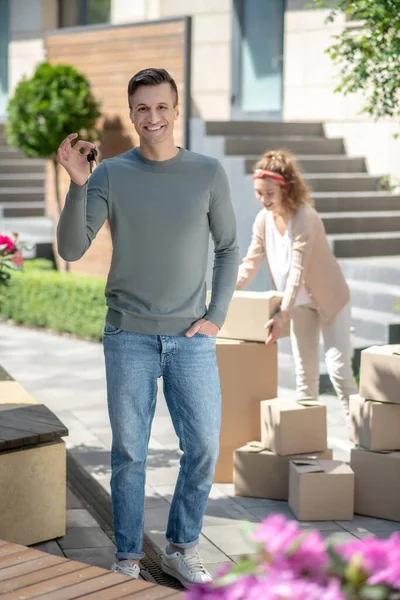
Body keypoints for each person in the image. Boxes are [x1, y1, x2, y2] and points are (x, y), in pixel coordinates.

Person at [56, 68, 239, 587]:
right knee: (129, 454)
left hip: (191, 339)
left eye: (161, 107)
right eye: (142, 108)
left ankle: (182, 547)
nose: (152, 117)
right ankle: (128, 559)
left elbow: (227, 248)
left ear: (176, 111)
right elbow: (71, 248)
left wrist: (216, 316)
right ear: (132, 113)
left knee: (204, 445)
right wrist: (77, 185)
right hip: (128, 336)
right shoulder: (111, 174)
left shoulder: (207, 172)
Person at [236, 150, 357, 421]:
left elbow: (297, 272)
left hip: (330, 301)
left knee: (339, 370)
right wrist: (225, 290)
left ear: (285, 188)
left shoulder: (305, 217)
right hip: (299, 306)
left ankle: (361, 439)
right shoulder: (263, 220)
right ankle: (307, 440)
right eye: (259, 193)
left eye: (269, 193)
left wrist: (281, 313)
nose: (263, 200)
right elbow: (250, 263)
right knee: (305, 376)